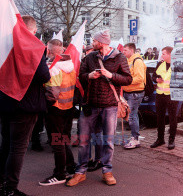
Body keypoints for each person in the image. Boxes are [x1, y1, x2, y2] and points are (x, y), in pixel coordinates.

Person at [67, 30, 132, 187]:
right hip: (89, 105)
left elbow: (128, 79)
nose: (92, 43)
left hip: (109, 106)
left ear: (102, 42)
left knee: (108, 141)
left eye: (94, 41)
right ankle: (80, 172)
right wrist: (89, 76)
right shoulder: (90, 57)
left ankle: (107, 171)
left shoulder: (119, 57)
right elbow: (80, 75)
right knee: (83, 140)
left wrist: (110, 75)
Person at [0, 15, 51, 196]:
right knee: (18, 148)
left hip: (5, 102)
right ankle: (10, 189)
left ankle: (2, 184)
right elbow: (44, 76)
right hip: (25, 104)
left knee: (6, 144)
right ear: (34, 30)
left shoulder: (5, 44)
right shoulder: (32, 46)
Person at [39, 39, 76, 186]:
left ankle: (60, 174)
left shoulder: (54, 68)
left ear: (49, 51)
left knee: (57, 141)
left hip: (55, 108)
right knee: (62, 139)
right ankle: (71, 166)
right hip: (68, 107)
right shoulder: (70, 65)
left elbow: (51, 93)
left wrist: (45, 105)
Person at [150, 46, 177, 150]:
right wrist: (156, 79)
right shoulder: (160, 64)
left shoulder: (177, 65)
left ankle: (171, 140)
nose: (161, 55)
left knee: (172, 118)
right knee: (159, 117)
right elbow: (153, 76)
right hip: (160, 94)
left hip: (172, 95)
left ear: (170, 54)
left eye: (164, 54)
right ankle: (160, 139)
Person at [122, 43, 147, 149]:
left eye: (125, 50)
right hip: (129, 92)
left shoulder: (137, 61)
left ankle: (135, 139)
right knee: (132, 116)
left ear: (132, 50)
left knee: (132, 116)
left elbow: (139, 78)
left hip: (135, 93)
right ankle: (134, 137)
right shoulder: (129, 60)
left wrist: (125, 82)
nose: (123, 52)